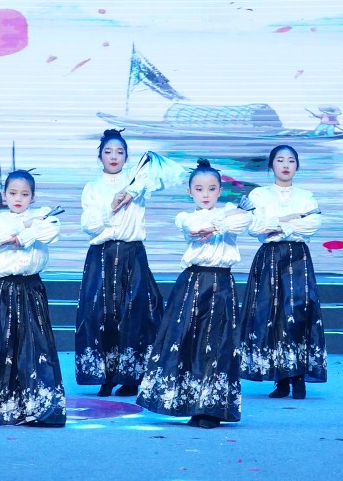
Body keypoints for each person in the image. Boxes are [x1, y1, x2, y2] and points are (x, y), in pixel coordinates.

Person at [136, 159, 250, 428]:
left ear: (220, 190)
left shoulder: (232, 215)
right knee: (188, 341)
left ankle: (211, 408)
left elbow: (245, 221)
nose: (205, 194)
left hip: (221, 284)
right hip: (193, 282)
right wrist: (222, 221)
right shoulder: (186, 217)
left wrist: (221, 223)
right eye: (199, 189)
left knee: (217, 344)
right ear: (190, 192)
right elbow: (194, 228)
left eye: (211, 189)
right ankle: (190, 403)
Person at [0, 170, 65, 426]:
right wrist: (29, 227)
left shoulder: (43, 214)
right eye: (13, 193)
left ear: (32, 196)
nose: (18, 198)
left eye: (24, 194)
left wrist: (23, 235)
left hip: (31, 287)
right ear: (5, 194)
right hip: (4, 288)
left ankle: (39, 407)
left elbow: (51, 231)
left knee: (35, 346)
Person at [76, 129, 162, 397]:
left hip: (132, 254)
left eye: (120, 152)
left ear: (126, 157)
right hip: (101, 256)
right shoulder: (92, 188)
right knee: (100, 315)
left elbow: (155, 174)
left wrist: (131, 190)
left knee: (134, 314)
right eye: (108, 151)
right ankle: (106, 375)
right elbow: (89, 225)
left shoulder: (137, 180)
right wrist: (110, 208)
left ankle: (132, 376)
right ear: (99, 156)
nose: (114, 156)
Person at [239, 144, 326, 399]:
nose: (285, 165)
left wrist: (279, 225)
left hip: (298, 258)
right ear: (271, 165)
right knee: (272, 314)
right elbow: (255, 226)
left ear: (297, 166)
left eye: (291, 160)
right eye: (280, 160)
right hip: (270, 257)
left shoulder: (306, 196)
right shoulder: (259, 194)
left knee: (298, 312)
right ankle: (280, 379)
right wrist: (290, 219)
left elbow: (312, 224)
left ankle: (298, 376)